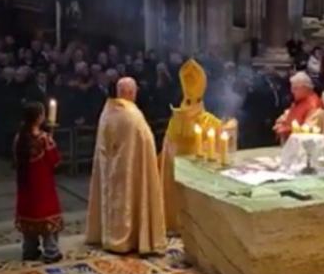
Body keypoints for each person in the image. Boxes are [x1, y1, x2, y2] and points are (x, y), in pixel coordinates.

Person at [86, 77, 167, 254]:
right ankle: (128, 239)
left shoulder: (107, 111)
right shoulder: (132, 115)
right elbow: (145, 141)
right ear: (129, 93)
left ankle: (108, 236)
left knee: (112, 202)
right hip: (130, 169)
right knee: (129, 203)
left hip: (110, 169)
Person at [159, 59, 224, 232]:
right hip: (196, 169)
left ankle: (174, 222)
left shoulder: (176, 119)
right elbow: (218, 136)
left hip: (175, 167)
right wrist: (227, 126)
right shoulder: (209, 122)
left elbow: (167, 145)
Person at [13, 102, 63, 263]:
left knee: (29, 216)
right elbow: (54, 160)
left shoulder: (19, 138)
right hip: (42, 186)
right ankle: (51, 251)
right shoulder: (44, 139)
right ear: (39, 118)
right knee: (45, 216)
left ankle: (29, 249)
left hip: (26, 185)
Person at [273, 72, 324, 142]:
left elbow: (309, 131)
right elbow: (284, 118)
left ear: (305, 88)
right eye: (291, 88)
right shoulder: (298, 101)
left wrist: (287, 130)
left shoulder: (314, 106)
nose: (292, 91)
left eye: (295, 88)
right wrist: (279, 125)